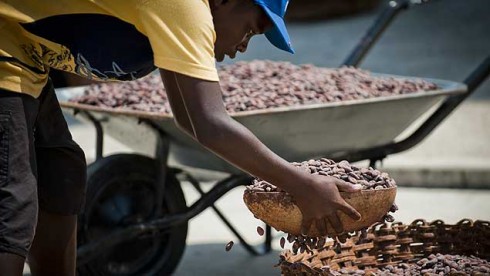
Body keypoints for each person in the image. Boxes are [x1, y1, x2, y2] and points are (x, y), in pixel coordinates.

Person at [0, 0, 361, 275]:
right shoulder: (187, 8)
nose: (244, 46)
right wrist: (301, 184)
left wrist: (294, 181)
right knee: (11, 205)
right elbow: (210, 124)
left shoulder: (181, 16)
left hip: (22, 60)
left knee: (61, 178)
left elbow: (188, 119)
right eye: (251, 28)